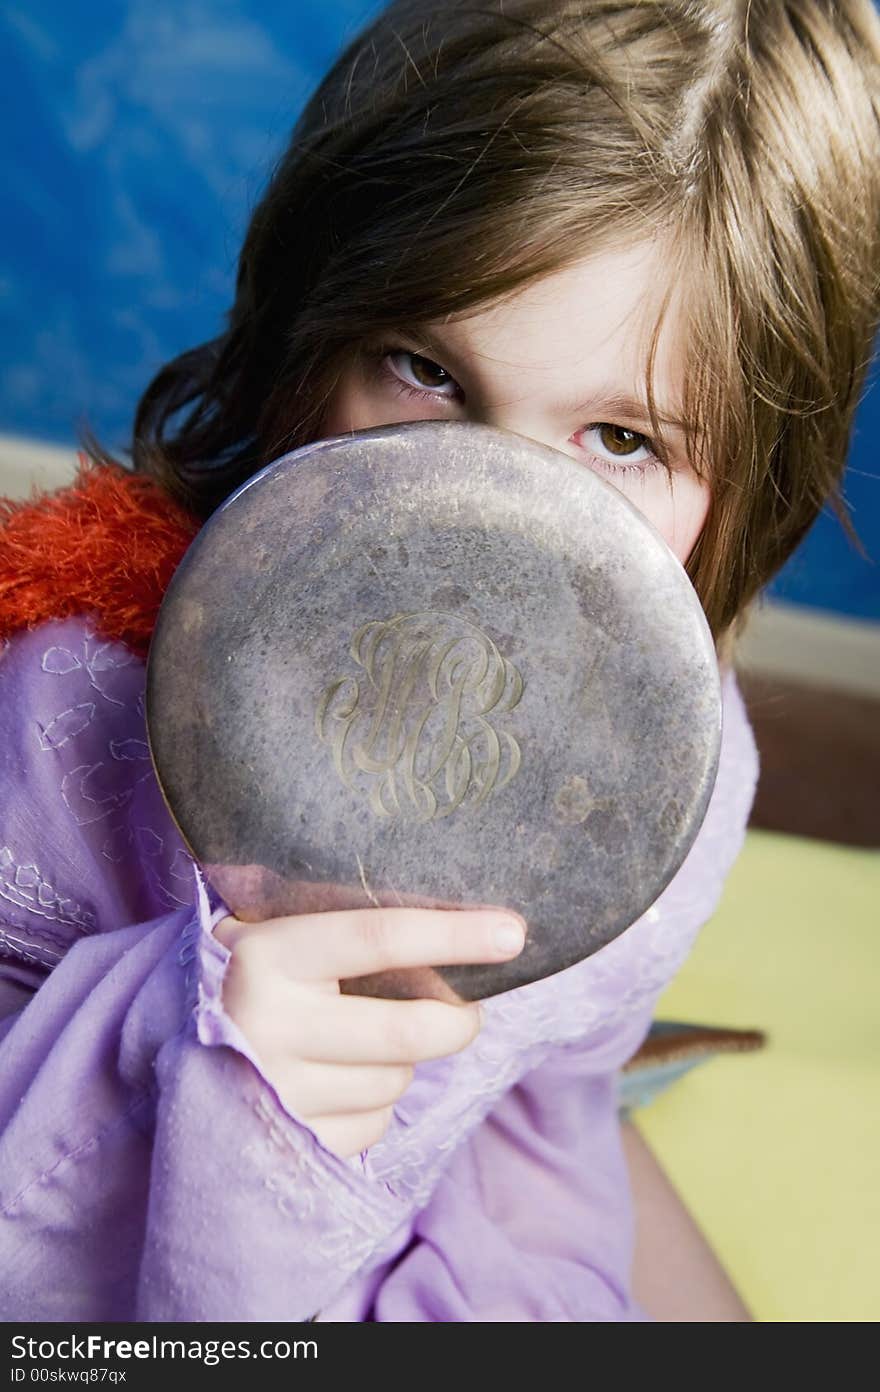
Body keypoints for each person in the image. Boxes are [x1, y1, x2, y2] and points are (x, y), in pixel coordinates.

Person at [1, 0, 878, 1323]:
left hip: (454, 1182)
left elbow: (553, 1094)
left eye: (622, 441)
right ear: (311, 339)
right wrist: (199, 1057)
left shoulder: (678, 776)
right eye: (427, 370)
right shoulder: (73, 703)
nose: (487, 532)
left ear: (746, 494)